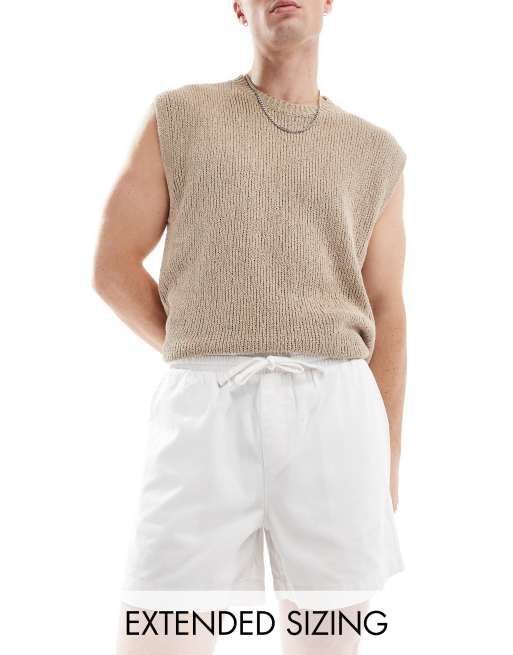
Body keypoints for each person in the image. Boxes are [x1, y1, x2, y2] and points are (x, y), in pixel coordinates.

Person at [93, 1, 407, 652]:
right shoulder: (180, 117)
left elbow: (386, 306)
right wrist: (201, 350)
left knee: (325, 638)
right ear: (239, 7)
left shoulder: (375, 152)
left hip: (335, 420)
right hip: (205, 415)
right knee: (159, 632)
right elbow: (112, 264)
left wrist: (390, 457)